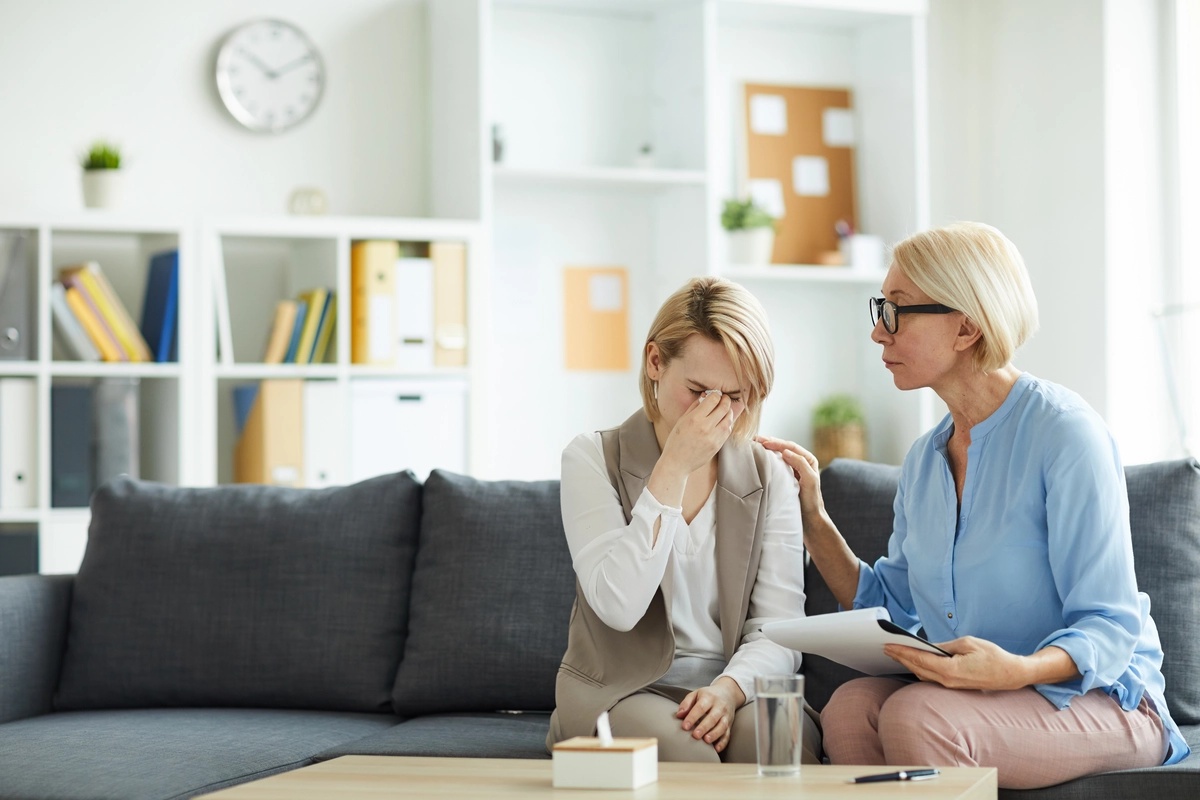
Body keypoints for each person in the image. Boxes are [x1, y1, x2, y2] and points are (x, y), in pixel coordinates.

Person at [758, 222, 1190, 789]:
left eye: (897, 310)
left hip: (1105, 700)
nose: (877, 332)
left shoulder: (1066, 435)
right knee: (849, 707)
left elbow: (1110, 625)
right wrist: (813, 517)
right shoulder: (924, 459)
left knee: (917, 714)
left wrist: (1014, 672)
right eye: (879, 307)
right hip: (990, 696)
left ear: (965, 327)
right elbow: (888, 603)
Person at [547, 275, 821, 763]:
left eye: (735, 397)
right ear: (656, 362)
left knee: (780, 744)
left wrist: (730, 690)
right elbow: (617, 604)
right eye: (697, 390)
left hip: (739, 686)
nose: (714, 411)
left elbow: (779, 627)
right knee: (691, 756)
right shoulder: (592, 458)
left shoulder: (769, 476)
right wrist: (673, 466)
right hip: (626, 689)